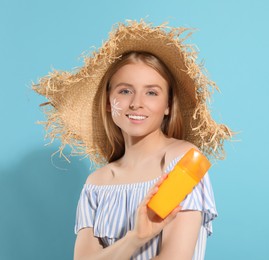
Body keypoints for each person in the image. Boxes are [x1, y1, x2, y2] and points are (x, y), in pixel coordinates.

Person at [33, 20, 232, 259]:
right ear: (108, 102)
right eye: (125, 91)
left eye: (151, 92)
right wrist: (136, 237)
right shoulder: (97, 184)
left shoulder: (184, 162)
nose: (137, 102)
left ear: (168, 104)